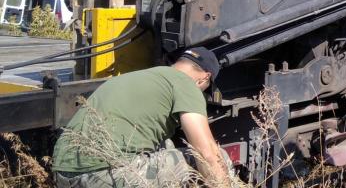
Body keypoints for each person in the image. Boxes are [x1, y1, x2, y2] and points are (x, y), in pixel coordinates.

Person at [52, 47, 230, 187]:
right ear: (204, 78)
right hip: (104, 176)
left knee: (165, 145)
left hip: (64, 175)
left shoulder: (139, 76)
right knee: (214, 158)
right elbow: (207, 153)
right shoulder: (186, 84)